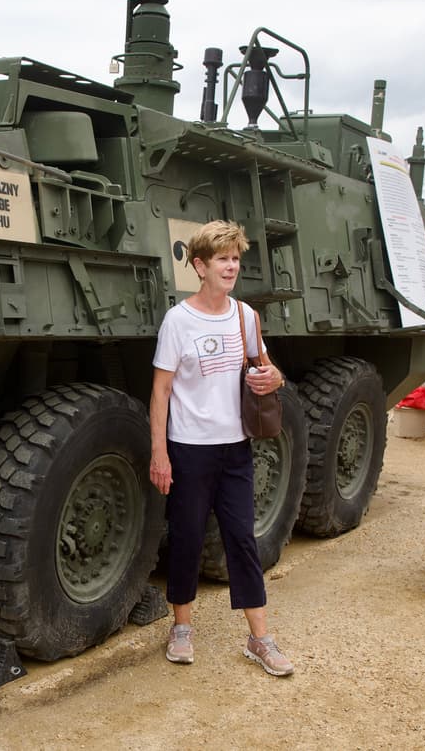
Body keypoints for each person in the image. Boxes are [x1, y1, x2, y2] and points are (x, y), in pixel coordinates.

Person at [149, 220, 292, 676]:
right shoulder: (178, 320)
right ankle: (182, 629)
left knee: (242, 540)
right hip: (189, 448)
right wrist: (159, 452)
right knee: (188, 538)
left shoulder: (245, 316)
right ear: (200, 266)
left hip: (236, 448)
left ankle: (260, 638)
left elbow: (267, 370)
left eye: (235, 258)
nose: (231, 266)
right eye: (222, 259)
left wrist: (277, 378)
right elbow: (161, 392)